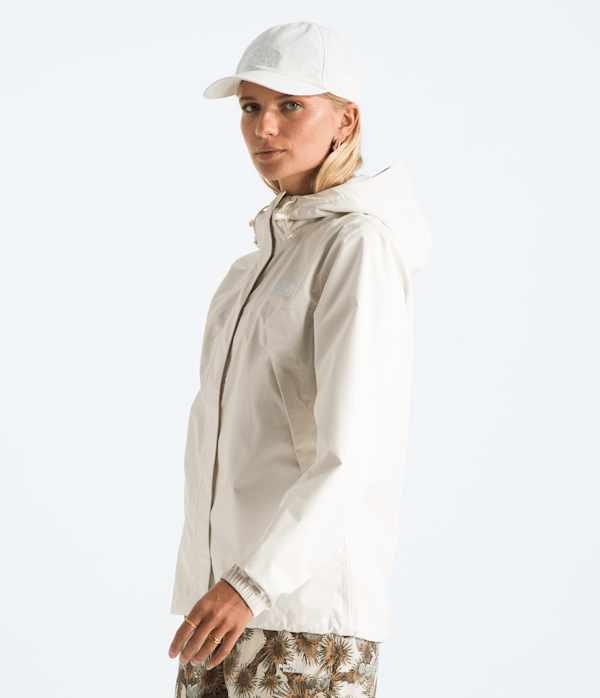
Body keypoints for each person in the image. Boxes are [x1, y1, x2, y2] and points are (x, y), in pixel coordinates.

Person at [168, 20, 432, 698]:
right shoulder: (251, 268)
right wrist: (222, 584)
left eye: (291, 105)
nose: (265, 127)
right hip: (221, 609)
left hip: (305, 620)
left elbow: (351, 452)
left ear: (345, 121)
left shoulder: (358, 247)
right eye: (250, 107)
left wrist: (251, 583)